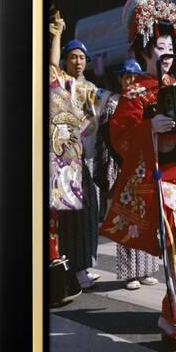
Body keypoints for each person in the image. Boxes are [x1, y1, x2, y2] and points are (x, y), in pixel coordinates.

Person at [101, 0, 176, 352]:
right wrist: (150, 128)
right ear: (144, 51)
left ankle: (172, 320)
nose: (166, 53)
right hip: (161, 180)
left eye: (170, 46)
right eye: (159, 47)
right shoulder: (135, 93)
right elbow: (120, 136)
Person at [49, 15, 115, 291]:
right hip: (62, 160)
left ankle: (84, 264)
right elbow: (51, 65)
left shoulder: (89, 89)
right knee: (71, 218)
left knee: (88, 213)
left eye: (82, 57)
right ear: (65, 60)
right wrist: (58, 33)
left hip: (82, 159)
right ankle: (74, 268)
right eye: (73, 57)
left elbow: (106, 109)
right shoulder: (60, 82)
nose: (78, 61)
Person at [94, 58, 160, 290]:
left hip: (144, 164)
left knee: (146, 215)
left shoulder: (146, 97)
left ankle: (146, 269)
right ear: (121, 80)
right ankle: (129, 273)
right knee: (126, 219)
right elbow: (108, 140)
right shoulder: (113, 103)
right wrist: (112, 168)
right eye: (127, 77)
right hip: (122, 164)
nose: (131, 81)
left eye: (134, 77)